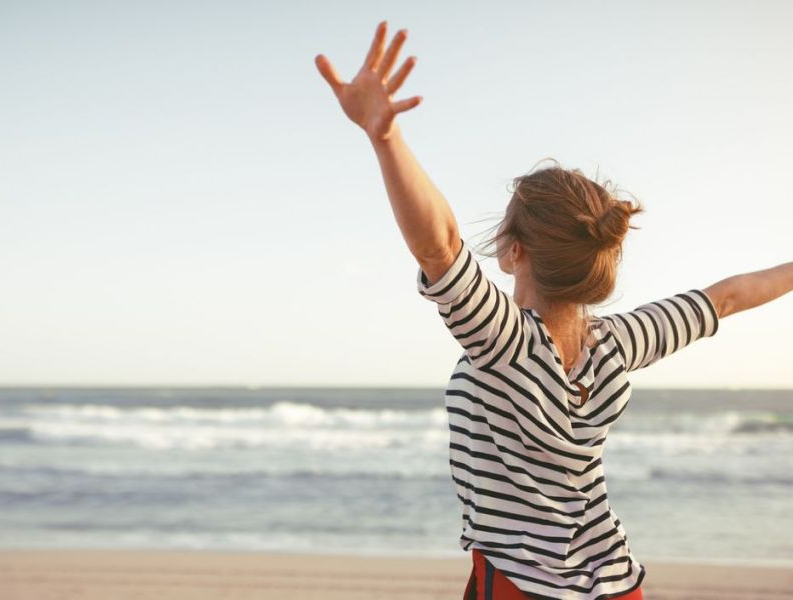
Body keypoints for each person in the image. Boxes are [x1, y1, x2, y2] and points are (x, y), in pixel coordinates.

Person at [315, 20, 793, 600]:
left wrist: (384, 138)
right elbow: (728, 297)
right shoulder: (620, 342)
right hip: (616, 582)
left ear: (514, 251)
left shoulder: (505, 342)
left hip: (521, 586)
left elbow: (438, 246)